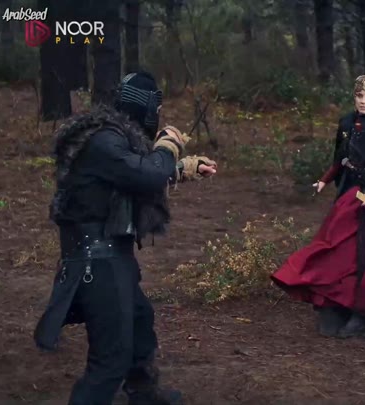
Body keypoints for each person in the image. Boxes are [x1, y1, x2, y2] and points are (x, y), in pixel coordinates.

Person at [33, 71, 217, 405]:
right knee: (109, 361)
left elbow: (127, 176)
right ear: (146, 108)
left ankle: (143, 392)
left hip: (110, 255)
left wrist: (183, 168)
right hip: (97, 261)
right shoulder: (104, 140)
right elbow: (146, 174)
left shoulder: (108, 136)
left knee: (140, 321)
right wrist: (168, 146)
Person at [271, 75, 365, 347]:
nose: (363, 101)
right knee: (337, 251)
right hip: (353, 198)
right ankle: (345, 311)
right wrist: (324, 180)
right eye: (359, 96)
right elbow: (342, 158)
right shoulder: (348, 123)